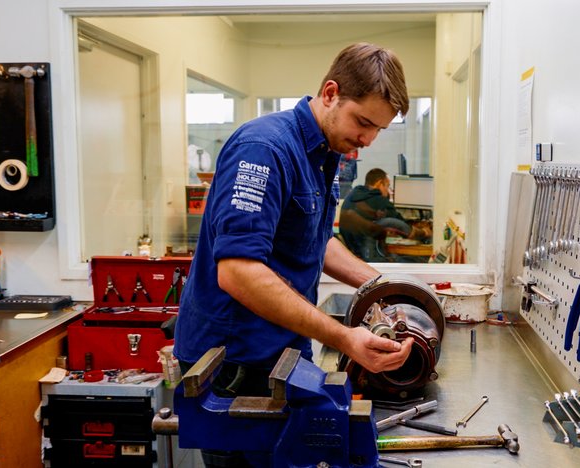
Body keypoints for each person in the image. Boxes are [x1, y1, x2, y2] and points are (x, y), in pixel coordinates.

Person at [174, 43, 413, 467]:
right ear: (329, 93)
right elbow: (238, 272)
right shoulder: (264, 149)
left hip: (279, 357)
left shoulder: (324, 154)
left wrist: (380, 287)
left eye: (378, 130)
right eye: (363, 122)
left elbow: (313, 241)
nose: (367, 139)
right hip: (235, 369)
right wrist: (343, 338)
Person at [339, 168, 431, 262]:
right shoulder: (379, 201)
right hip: (369, 257)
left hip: (351, 253)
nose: (388, 191)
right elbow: (404, 227)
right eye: (387, 186)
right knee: (418, 261)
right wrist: (424, 232)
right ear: (379, 183)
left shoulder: (353, 194)